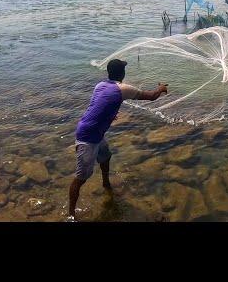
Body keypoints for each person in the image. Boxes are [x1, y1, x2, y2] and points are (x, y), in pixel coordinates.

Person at [68, 59, 168, 220]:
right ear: (122, 74)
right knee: (81, 178)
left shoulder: (99, 85)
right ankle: (71, 215)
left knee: (106, 156)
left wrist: (109, 115)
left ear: (109, 73)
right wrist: (161, 88)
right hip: (88, 138)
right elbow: (151, 97)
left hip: (92, 131)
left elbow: (98, 105)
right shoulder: (123, 88)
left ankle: (106, 184)